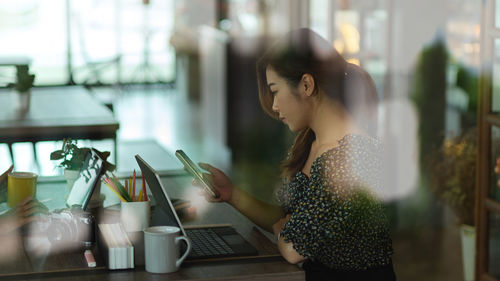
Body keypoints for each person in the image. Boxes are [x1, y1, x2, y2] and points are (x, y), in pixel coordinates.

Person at [196, 28, 396, 281]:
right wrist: (231, 194)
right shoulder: (311, 142)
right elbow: (284, 218)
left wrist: (286, 231)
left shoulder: (352, 157)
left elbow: (293, 249)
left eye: (275, 90)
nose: (274, 105)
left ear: (306, 84)